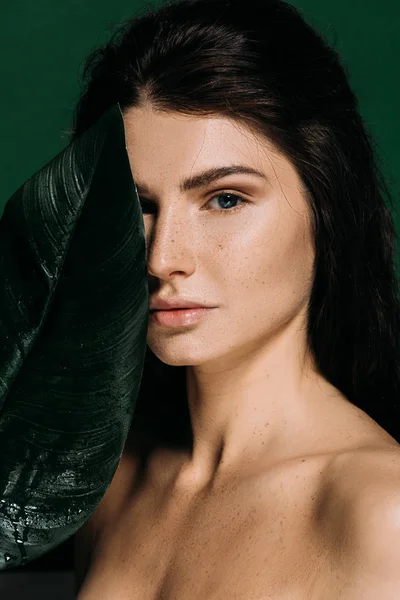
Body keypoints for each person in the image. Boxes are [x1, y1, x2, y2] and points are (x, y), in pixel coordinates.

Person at [72, 0, 400, 597]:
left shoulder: (381, 515)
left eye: (225, 199)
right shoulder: (114, 485)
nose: (161, 257)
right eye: (137, 206)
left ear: (327, 209)